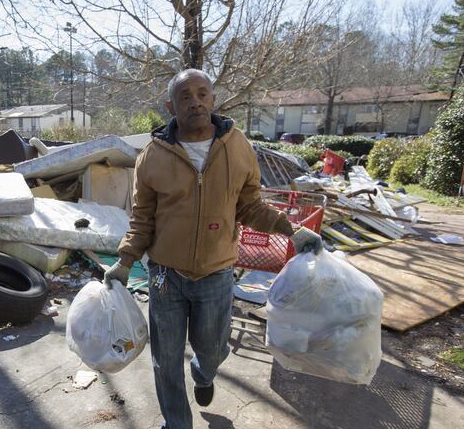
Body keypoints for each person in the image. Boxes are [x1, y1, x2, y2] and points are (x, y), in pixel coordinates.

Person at [104, 69, 322, 429]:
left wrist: (291, 230)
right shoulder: (152, 156)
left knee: (213, 349)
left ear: (214, 100)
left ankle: (204, 375)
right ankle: (177, 422)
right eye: (186, 96)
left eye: (203, 93)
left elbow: (251, 207)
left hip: (216, 273)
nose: (196, 101)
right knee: (165, 359)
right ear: (170, 105)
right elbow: (142, 218)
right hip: (165, 276)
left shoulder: (238, 148)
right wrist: (125, 261)